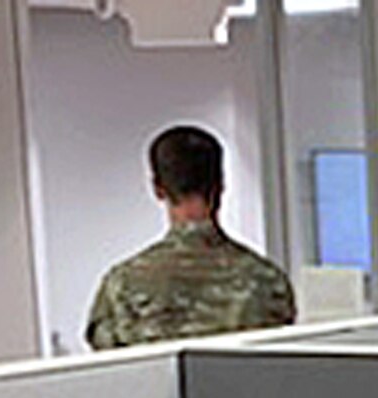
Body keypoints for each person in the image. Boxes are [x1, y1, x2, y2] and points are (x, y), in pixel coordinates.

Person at [86, 124, 295, 350]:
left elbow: (110, 373)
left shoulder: (123, 285)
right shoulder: (268, 281)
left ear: (158, 188)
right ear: (221, 185)